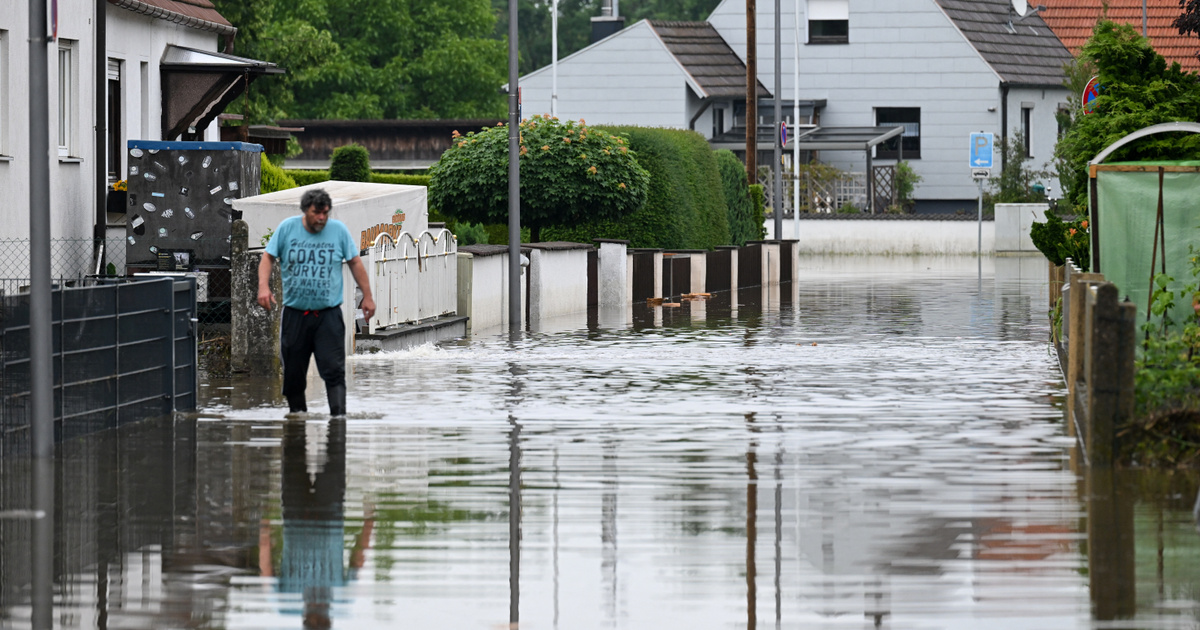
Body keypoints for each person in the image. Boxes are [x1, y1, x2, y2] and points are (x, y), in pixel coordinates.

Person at [257, 188, 376, 416]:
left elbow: (355, 262)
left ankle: (338, 419)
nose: (321, 218)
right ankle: (296, 419)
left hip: (328, 316)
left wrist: (367, 296)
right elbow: (268, 257)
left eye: (325, 213)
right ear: (305, 210)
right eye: (316, 213)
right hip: (295, 314)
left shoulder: (338, 231)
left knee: (334, 370)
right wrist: (263, 287)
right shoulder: (287, 229)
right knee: (293, 373)